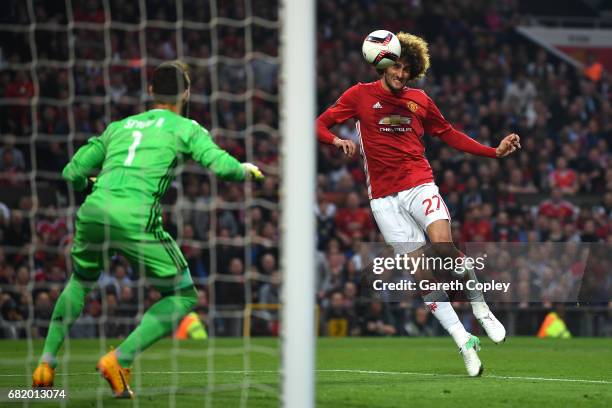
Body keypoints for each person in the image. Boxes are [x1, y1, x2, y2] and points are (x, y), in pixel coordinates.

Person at [31, 61, 264, 397]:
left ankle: (45, 366)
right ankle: (118, 359)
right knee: (183, 294)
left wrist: (89, 185)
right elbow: (222, 167)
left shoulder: (119, 126)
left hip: (94, 209)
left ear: (151, 91)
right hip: (136, 217)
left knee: (80, 281)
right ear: (186, 93)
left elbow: (71, 173)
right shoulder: (186, 128)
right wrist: (245, 170)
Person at [316, 32, 520, 377]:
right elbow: (320, 124)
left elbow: (450, 133)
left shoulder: (420, 100)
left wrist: (493, 152)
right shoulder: (359, 96)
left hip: (418, 184)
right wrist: (338, 141)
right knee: (421, 274)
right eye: (397, 66)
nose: (401, 74)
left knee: (443, 247)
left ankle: (480, 306)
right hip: (383, 199)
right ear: (383, 64)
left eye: (408, 70)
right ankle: (463, 339)